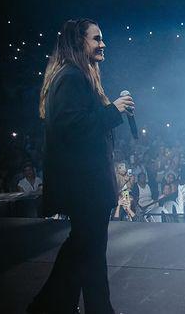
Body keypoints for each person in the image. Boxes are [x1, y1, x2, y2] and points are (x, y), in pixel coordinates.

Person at [28, 19, 133, 314]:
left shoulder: (77, 77)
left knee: (84, 249)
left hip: (87, 184)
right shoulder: (71, 78)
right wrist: (113, 110)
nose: (102, 44)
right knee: (88, 251)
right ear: (78, 43)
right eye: (96, 39)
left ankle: (52, 305)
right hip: (84, 185)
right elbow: (72, 128)